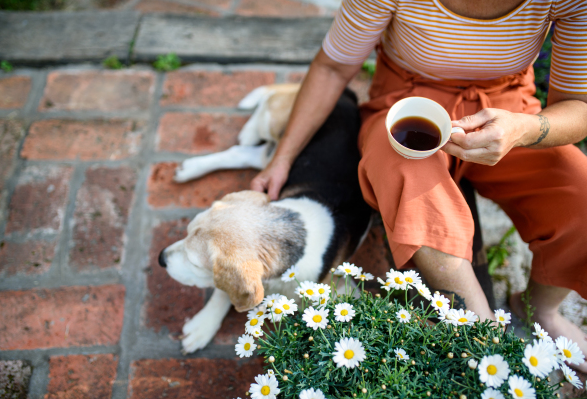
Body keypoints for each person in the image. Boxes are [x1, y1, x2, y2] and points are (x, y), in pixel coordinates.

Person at [250, 0, 587, 371]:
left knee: (579, 194)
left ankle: (541, 309)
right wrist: (283, 157)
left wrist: (523, 130)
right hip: (406, 103)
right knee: (410, 182)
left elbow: (577, 105)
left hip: (508, 111)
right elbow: (332, 68)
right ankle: (485, 339)